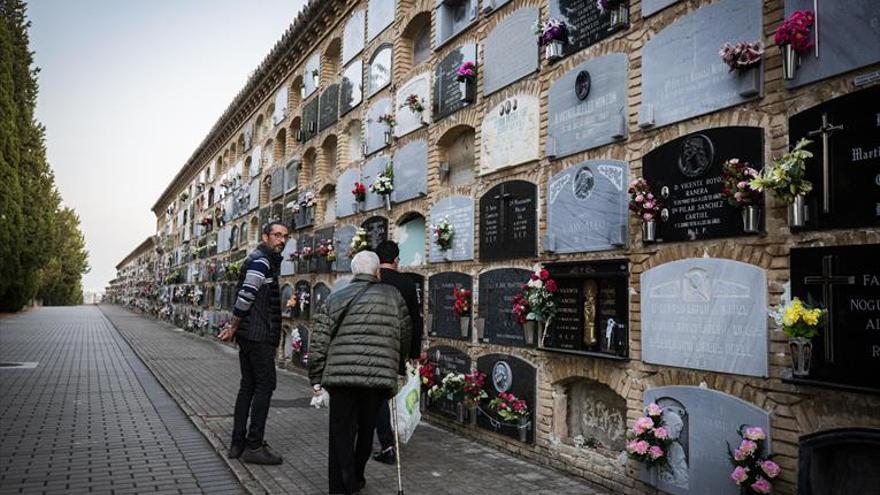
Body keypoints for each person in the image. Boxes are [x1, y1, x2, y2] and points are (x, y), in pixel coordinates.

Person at [309, 251, 411, 495]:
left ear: (353, 272)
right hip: (376, 379)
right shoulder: (393, 297)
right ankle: (356, 476)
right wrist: (397, 368)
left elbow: (320, 340)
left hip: (341, 379)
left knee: (340, 434)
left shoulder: (336, 298)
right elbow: (404, 334)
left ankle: (340, 486)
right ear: (377, 272)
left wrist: (316, 377)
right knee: (366, 431)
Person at [218, 221, 288, 465]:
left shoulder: (260, 258)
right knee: (265, 385)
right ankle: (254, 445)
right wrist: (234, 325)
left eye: (284, 236)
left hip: (250, 334)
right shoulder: (261, 261)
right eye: (277, 235)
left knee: (248, 385)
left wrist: (237, 328)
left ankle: (238, 443)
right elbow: (247, 294)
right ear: (265, 236)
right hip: (259, 336)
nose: (281, 240)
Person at [371, 240, 424, 465]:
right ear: (396, 260)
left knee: (378, 395)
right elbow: (415, 320)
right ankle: (389, 438)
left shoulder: (372, 279)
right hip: (397, 347)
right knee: (388, 391)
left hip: (372, 345)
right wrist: (413, 352)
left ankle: (387, 443)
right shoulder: (407, 283)